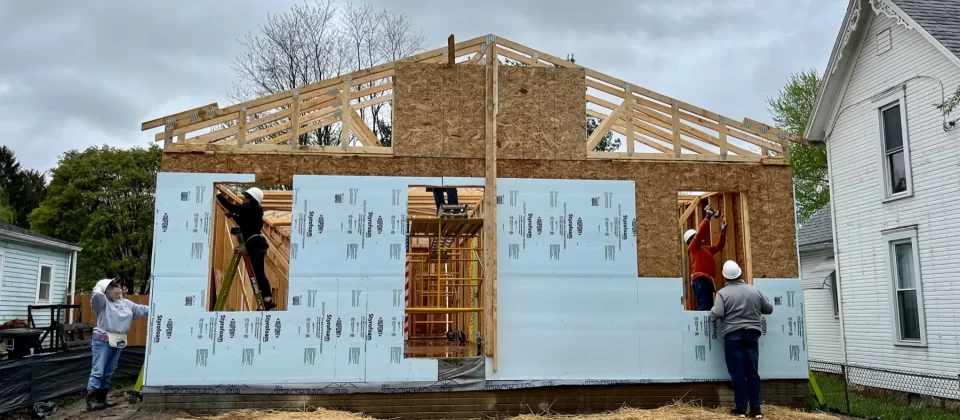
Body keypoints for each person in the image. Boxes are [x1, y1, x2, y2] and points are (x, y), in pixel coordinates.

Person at [710, 260, 774, 419]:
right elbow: (769, 309)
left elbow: (717, 313)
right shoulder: (755, 291)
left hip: (733, 336)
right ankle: (756, 410)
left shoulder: (722, 293)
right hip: (752, 334)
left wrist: (709, 315)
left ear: (725, 277)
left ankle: (740, 409)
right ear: (740, 273)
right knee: (752, 372)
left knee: (738, 372)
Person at [87, 279, 150, 411]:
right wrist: (99, 286)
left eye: (118, 285)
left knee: (110, 369)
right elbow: (97, 296)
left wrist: (160, 309)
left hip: (119, 339)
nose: (118, 286)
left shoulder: (126, 303)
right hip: (103, 338)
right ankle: (91, 400)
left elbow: (141, 309)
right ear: (107, 290)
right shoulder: (103, 303)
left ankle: (102, 398)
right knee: (98, 369)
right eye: (114, 285)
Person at [216, 187, 277, 311]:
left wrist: (218, 195)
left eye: (245, 197)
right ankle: (267, 299)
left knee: (259, 273)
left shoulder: (250, 208)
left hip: (255, 244)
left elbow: (232, 206)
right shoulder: (252, 212)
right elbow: (244, 223)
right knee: (258, 273)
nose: (243, 199)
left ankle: (268, 299)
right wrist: (232, 215)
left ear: (251, 199)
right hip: (256, 243)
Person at [683, 204, 726, 310]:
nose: (700, 238)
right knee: (704, 307)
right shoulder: (693, 247)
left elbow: (718, 246)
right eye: (695, 237)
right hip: (700, 281)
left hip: (706, 281)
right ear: (690, 240)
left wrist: (723, 232)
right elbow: (700, 234)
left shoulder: (705, 249)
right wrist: (707, 217)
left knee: (708, 307)